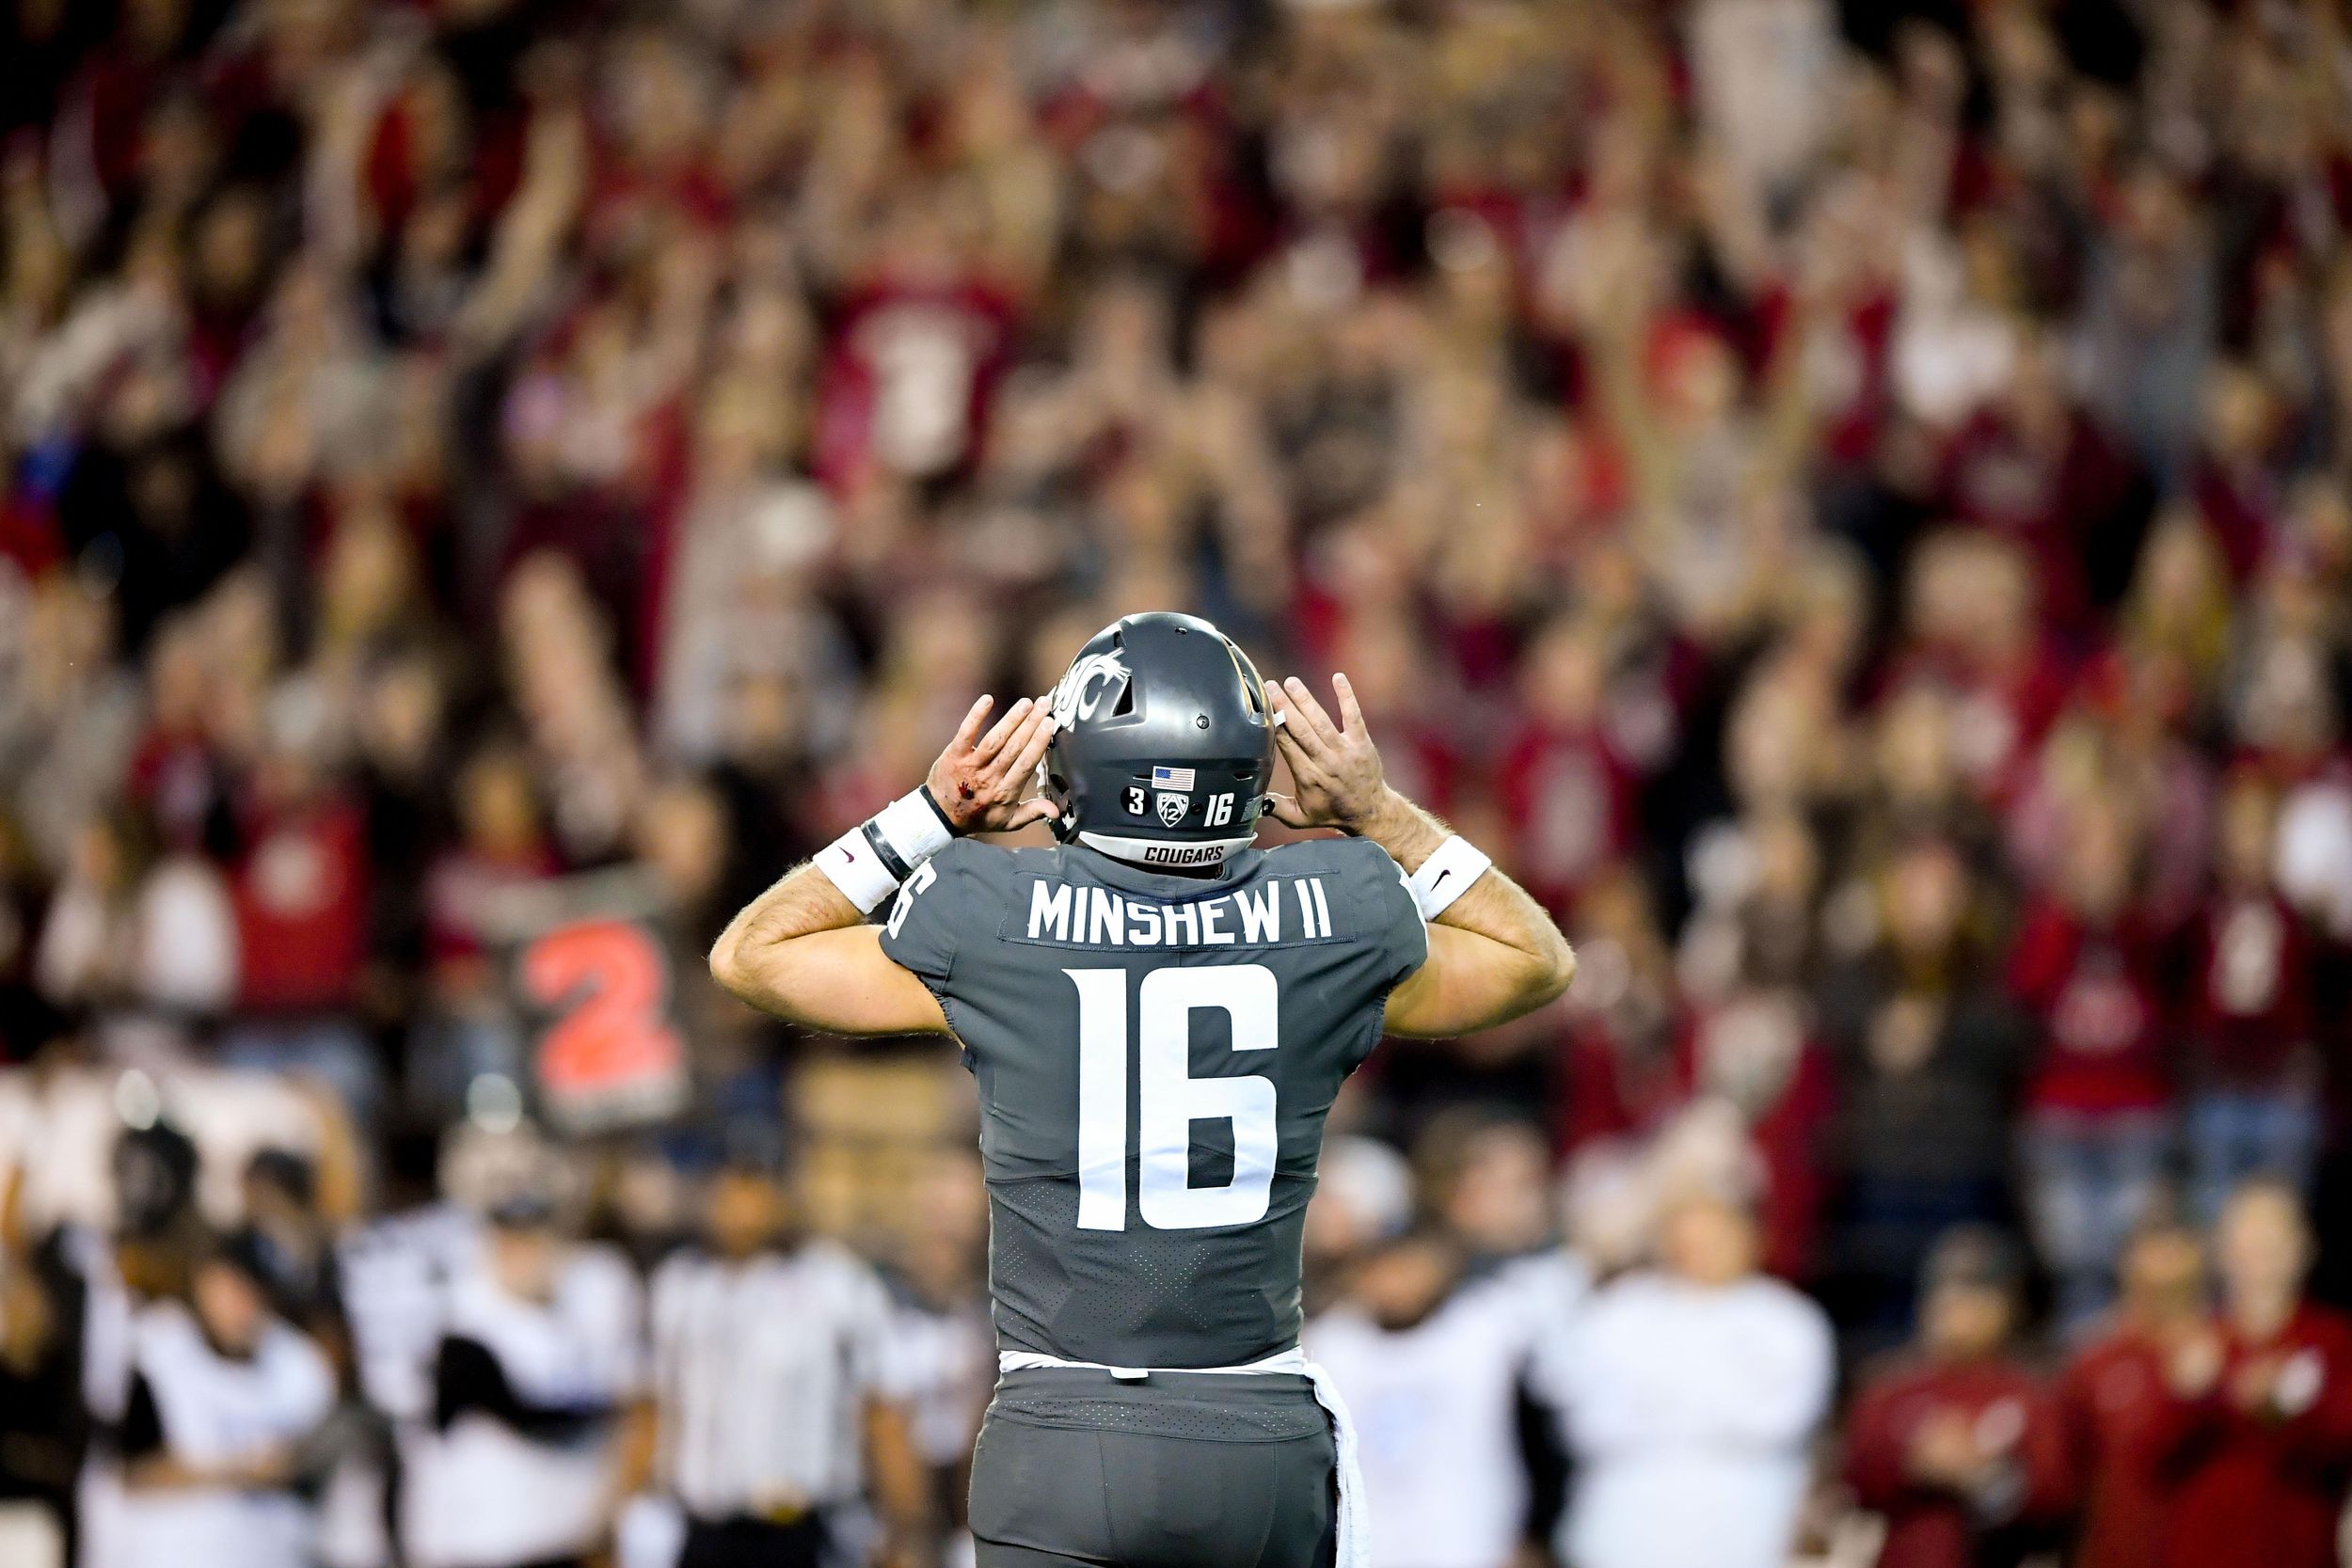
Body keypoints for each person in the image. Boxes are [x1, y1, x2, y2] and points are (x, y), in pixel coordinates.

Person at [709, 611, 1578, 1568]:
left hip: (1063, 1433)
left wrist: (930, 811)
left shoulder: (991, 915)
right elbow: (1534, 960)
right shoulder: (1333, 909)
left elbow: (752, 954)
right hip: (1255, 1437)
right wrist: (1381, 813)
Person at [633, 1149, 931, 1568]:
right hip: (704, 1529)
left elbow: (883, 1412)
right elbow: (652, 1410)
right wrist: (618, 1514)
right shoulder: (679, 1285)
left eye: (754, 1189)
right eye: (730, 1190)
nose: (741, 1210)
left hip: (798, 1531)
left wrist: (906, 1528)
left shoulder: (834, 1283)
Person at [1539, 1186, 1833, 1568]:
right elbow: (1587, 1422)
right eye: (1686, 1240)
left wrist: (1659, 1405)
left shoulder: (1787, 1320)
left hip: (1740, 1528)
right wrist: (1714, 1406)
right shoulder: (1621, 1311)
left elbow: (1780, 1421)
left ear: (1748, 1238)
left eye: (1713, 1239)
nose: (1698, 1253)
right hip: (1623, 1526)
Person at [1306, 1228, 1564, 1568]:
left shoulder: (1485, 1334)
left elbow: (1542, 1445)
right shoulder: (1329, 1348)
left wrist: (1535, 1534)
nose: (1399, 1283)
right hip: (1373, 1551)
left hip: (1477, 1543)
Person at [2147, 1180, 2352, 1568]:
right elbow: (2151, 1461)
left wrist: (2281, 1409)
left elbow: (2339, 1444)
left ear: (2303, 1250)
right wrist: (2190, 1397)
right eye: (2245, 1246)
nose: (2257, 1262)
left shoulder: (2331, 1341)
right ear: (2222, 1254)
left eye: (2271, 1245)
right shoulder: (2195, 1340)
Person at [1842, 1227, 2071, 1568]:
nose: (1960, 1309)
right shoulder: (1892, 1386)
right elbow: (1856, 1483)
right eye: (1949, 1292)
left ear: (2008, 1307)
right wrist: (1913, 1462)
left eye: (1977, 1295)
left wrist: (1988, 1478)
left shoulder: (2031, 1393)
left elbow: (2054, 1500)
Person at [110, 1233, 336, 1568]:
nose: (245, 1305)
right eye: (234, 1288)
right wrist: (241, 1471)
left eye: (255, 1291)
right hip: (184, 1555)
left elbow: (317, 1468)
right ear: (206, 1281)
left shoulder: (298, 1364)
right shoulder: (158, 1350)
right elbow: (133, 1473)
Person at [2058, 1218, 2208, 1568]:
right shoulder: (2093, 1363)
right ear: (2126, 1265)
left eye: (2176, 1251)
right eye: (2152, 1251)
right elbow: (2068, 1484)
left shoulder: (2230, 1352)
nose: (2164, 1269)